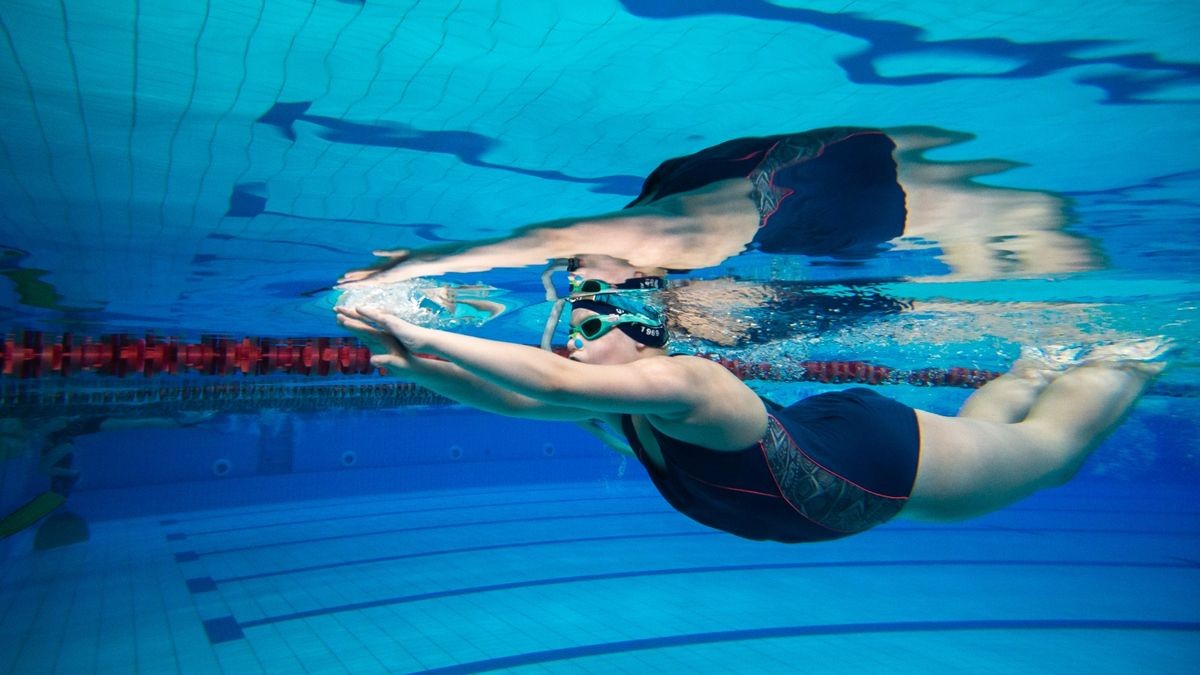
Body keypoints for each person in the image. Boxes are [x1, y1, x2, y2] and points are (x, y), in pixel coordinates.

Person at [335, 281, 1164, 543]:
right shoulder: (626, 408)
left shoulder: (690, 384)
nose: (570, 341)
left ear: (645, 335)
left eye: (589, 326)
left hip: (878, 466)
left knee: (1051, 448)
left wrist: (411, 326)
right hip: (835, 444)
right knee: (997, 434)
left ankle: (1138, 346)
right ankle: (1039, 361)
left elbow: (544, 386)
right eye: (569, 327)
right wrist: (403, 362)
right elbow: (515, 399)